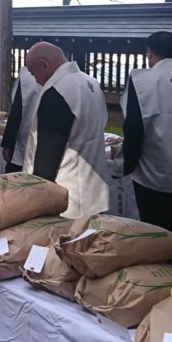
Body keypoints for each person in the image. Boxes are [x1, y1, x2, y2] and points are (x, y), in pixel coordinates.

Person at [22, 42, 110, 218]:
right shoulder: (90, 82)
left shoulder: (57, 91)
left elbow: (48, 153)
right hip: (94, 190)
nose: (35, 80)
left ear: (44, 65)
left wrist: (37, 199)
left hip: (66, 197)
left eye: (33, 73)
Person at [116, 31, 172, 231]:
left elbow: (133, 129)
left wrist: (124, 166)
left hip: (152, 174)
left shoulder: (141, 81)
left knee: (153, 231)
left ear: (149, 52)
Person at [0, 66, 41, 174]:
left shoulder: (27, 76)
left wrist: (8, 143)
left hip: (24, 139)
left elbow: (16, 111)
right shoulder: (66, 79)